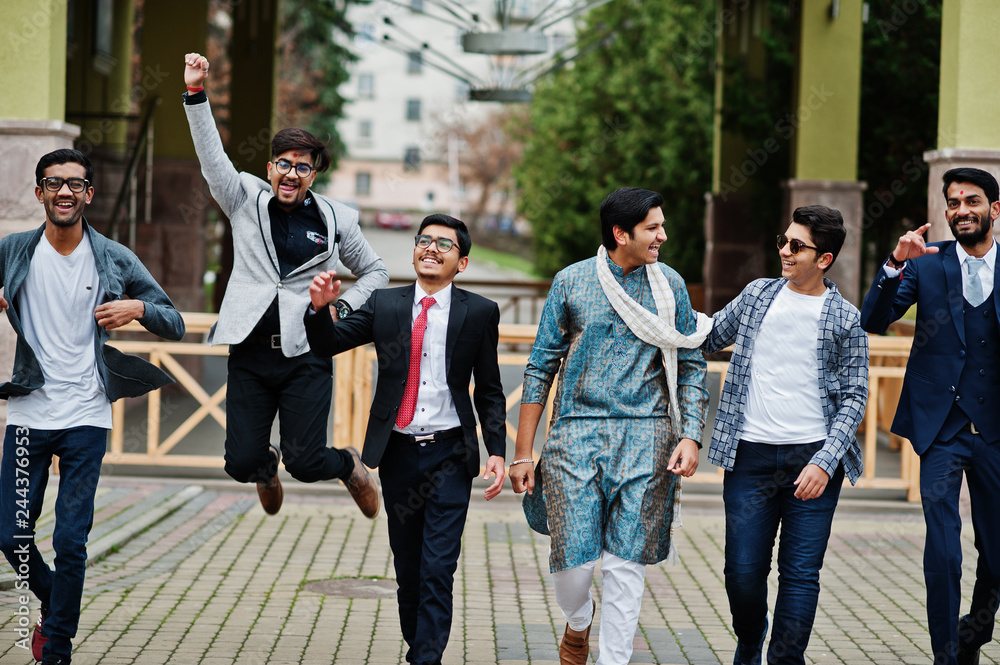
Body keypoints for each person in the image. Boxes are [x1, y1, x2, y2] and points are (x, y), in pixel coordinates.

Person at [509, 187, 710, 665]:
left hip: (647, 435)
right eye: (653, 228)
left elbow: (692, 362)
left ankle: (613, 660)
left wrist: (690, 434)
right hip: (574, 433)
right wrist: (522, 452)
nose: (663, 234)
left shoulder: (671, 286)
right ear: (621, 234)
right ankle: (578, 621)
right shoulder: (572, 282)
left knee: (626, 564)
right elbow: (540, 367)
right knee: (574, 564)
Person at [0, 149, 185, 665]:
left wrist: (139, 307)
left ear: (89, 194)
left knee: (71, 541)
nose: (64, 192)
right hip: (29, 416)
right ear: (39, 192)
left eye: (75, 184)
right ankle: (57, 607)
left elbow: (173, 321)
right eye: (54, 183)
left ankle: (57, 648)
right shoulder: (13, 250)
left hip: (85, 417)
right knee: (9, 532)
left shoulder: (114, 258)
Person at [182, 53, 387, 518]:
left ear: (313, 175)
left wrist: (341, 308)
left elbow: (376, 271)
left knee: (309, 461)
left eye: (302, 167)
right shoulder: (243, 200)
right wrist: (195, 93)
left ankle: (350, 465)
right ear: (270, 166)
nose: (290, 173)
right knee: (240, 463)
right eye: (283, 163)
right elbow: (211, 156)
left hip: (306, 354)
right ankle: (264, 469)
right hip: (251, 352)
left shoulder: (337, 221)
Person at [305, 214, 507, 665]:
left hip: (452, 454)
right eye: (424, 241)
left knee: (439, 567)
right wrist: (319, 310)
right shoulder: (385, 304)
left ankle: (425, 659)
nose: (431, 248)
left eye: (444, 245)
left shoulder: (479, 312)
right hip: (397, 451)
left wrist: (497, 451)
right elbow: (328, 343)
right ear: (414, 250)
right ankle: (421, 645)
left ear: (463, 262)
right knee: (410, 568)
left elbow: (490, 390)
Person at [703, 205, 868, 665]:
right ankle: (750, 639)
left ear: (825, 259)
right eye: (783, 240)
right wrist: (658, 304)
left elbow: (856, 396)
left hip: (812, 462)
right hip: (750, 458)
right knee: (742, 572)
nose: (785, 251)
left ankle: (784, 660)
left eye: (797, 246)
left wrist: (825, 460)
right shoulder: (758, 295)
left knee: (799, 575)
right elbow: (710, 335)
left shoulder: (846, 319)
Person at [861, 167, 1000, 665]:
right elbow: (873, 321)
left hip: (996, 432)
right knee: (943, 553)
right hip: (941, 429)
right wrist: (897, 263)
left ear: (994, 210)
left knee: (996, 551)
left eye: (973, 201)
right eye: (954, 202)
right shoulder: (927, 263)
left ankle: (971, 636)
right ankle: (946, 657)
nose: (962, 209)